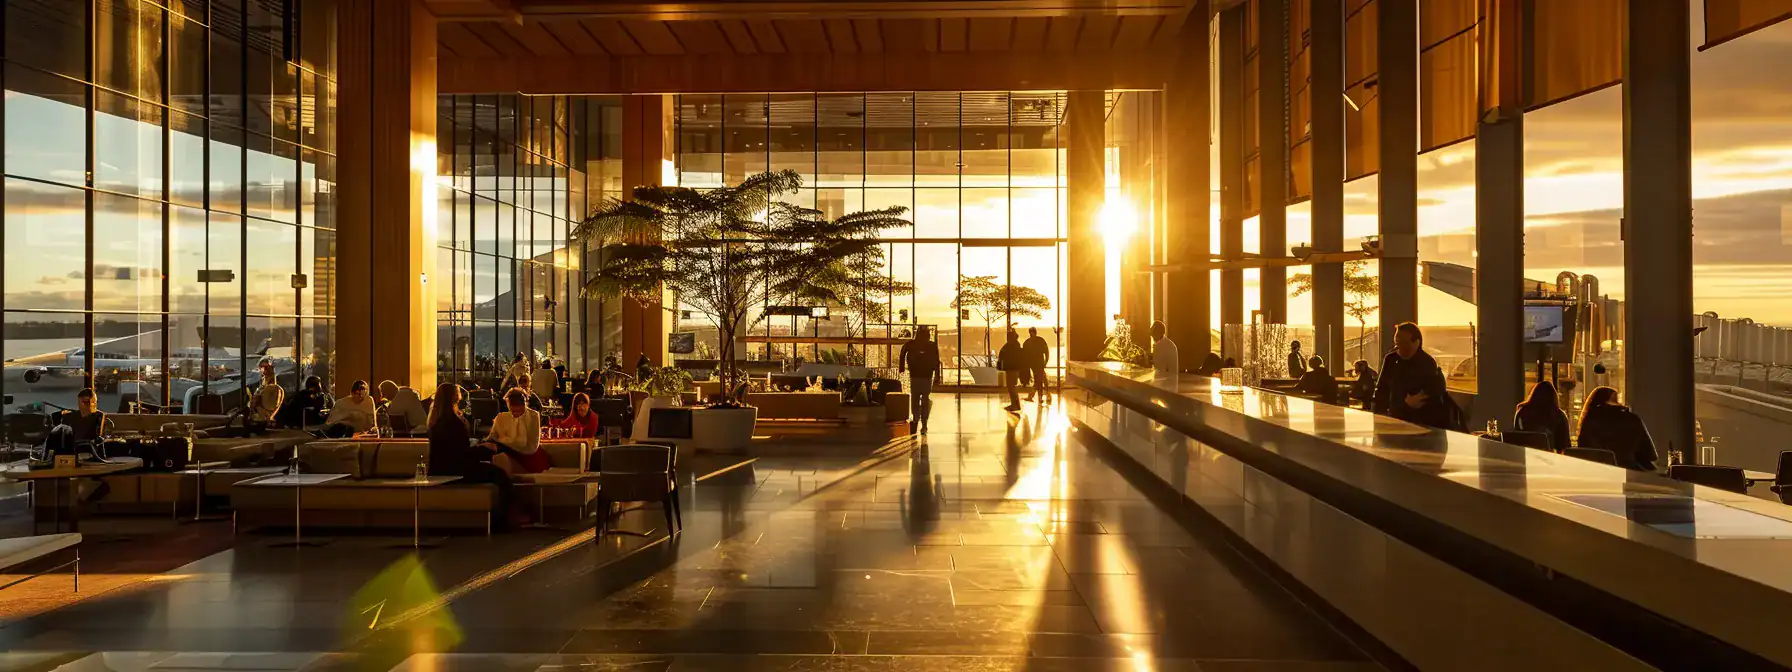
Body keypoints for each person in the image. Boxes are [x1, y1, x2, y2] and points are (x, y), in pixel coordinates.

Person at [428, 383, 521, 531]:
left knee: (495, 472)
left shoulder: (435, 421)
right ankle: (504, 521)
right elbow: (462, 454)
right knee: (501, 476)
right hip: (458, 470)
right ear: (454, 397)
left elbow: (453, 451)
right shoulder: (455, 423)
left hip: (440, 468)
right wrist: (485, 449)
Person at [1371, 323, 1453, 429]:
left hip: (1421, 422)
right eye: (1397, 343)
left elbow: (1435, 392)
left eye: (1403, 343)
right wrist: (1378, 415)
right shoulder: (1390, 360)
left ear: (1416, 342)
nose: (1398, 347)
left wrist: (1419, 399)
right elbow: (1381, 389)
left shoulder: (1427, 363)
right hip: (1395, 418)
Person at [1577, 386, 1658, 471]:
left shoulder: (1589, 419)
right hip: (1628, 472)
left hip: (1596, 472)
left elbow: (1583, 450)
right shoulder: (1632, 419)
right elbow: (1651, 455)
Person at [480, 387, 551, 474]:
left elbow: (531, 446)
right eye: (513, 411)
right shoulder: (502, 417)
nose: (516, 414)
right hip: (505, 450)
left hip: (528, 455)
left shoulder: (533, 416)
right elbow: (492, 437)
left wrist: (502, 442)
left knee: (497, 453)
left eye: (519, 411)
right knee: (485, 449)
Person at [899, 325, 943, 433]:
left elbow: (903, 352)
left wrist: (901, 367)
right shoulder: (932, 345)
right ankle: (924, 424)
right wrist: (937, 376)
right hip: (927, 376)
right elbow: (936, 361)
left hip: (915, 375)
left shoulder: (911, 344)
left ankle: (915, 419)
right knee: (925, 400)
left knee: (915, 398)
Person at [1513, 381, 1572, 452]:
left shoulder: (1522, 412)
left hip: (1524, 456)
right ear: (1554, 397)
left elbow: (1517, 437)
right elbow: (1565, 446)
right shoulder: (1559, 416)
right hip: (1551, 458)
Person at [249, 359, 284, 430]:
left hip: (264, 411)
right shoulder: (267, 384)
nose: (260, 371)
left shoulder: (271, 388)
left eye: (261, 368)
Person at [997, 330, 1025, 412]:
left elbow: (1002, 354)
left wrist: (1000, 364)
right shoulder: (1015, 345)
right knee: (1011, 386)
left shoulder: (1011, 345)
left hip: (1011, 368)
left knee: (1011, 386)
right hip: (1013, 368)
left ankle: (1015, 405)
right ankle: (1015, 404)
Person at [1022, 327, 1050, 402]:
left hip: (1033, 364)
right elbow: (1046, 351)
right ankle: (1041, 395)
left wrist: (1026, 366)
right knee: (1041, 379)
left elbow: (1024, 356)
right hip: (1039, 363)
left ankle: (1035, 396)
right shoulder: (1041, 340)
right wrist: (1046, 361)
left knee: (1039, 379)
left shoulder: (1027, 342)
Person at [1151, 321, 1179, 390]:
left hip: (1165, 385)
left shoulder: (1160, 345)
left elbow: (1158, 369)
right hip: (1173, 383)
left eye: (1153, 334)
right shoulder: (1169, 343)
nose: (1152, 337)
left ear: (1158, 333)